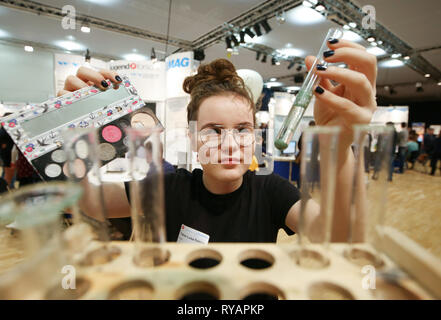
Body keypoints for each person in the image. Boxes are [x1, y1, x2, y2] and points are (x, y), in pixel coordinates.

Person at [60, 38, 378, 243]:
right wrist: (75, 139)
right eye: (213, 129)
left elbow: (340, 235)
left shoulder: (271, 192)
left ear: (255, 136)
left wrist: (339, 145)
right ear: (193, 138)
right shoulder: (170, 188)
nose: (229, 143)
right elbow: (92, 202)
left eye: (242, 129)